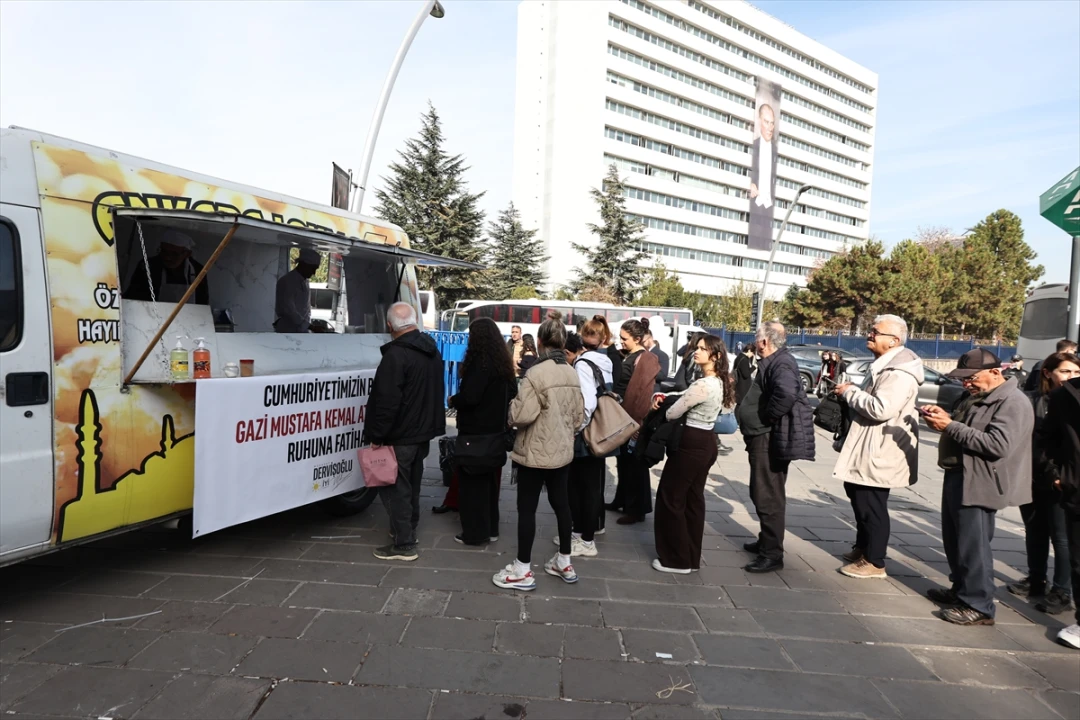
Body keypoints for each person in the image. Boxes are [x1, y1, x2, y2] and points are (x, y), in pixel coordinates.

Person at [923, 348, 1034, 625]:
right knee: (955, 540)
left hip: (982, 480)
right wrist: (944, 417)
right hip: (960, 474)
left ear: (995, 373)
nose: (966, 383)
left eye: (971, 378)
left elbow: (997, 445)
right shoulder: (978, 396)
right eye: (962, 378)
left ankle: (980, 605)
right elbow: (968, 427)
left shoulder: (1013, 401)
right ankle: (962, 590)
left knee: (974, 546)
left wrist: (949, 426)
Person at [492, 316, 585, 590]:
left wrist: (511, 410)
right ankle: (564, 561)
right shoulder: (571, 371)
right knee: (562, 505)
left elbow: (521, 414)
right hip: (562, 451)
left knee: (527, 508)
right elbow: (579, 417)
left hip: (535, 450)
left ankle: (522, 569)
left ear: (541, 341)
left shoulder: (536, 373)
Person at [831, 315, 924, 579]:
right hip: (870, 445)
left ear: (894, 341)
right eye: (871, 330)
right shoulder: (884, 366)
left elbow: (881, 408)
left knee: (871, 504)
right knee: (859, 495)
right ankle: (864, 547)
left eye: (875, 332)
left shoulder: (899, 373)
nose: (869, 335)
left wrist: (850, 392)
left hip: (880, 449)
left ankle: (875, 561)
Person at [367, 302, 447, 562]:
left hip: (400, 434)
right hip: (422, 432)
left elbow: (386, 401)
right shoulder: (432, 351)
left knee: (395, 488)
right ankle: (407, 528)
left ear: (390, 326)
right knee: (411, 484)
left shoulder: (396, 355)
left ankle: (404, 543)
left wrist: (377, 436)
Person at [737, 321, 815, 573]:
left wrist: (766, 418)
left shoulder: (781, 363)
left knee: (767, 495)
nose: (755, 342)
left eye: (757, 338)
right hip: (762, 436)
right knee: (763, 491)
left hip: (768, 438)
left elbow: (786, 394)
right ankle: (766, 541)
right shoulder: (776, 361)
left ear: (764, 342)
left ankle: (772, 553)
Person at [652, 334, 733, 573]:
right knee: (693, 500)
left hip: (691, 444)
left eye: (702, 349)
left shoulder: (703, 384)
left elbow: (673, 413)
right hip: (706, 441)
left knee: (671, 498)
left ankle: (676, 560)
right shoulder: (720, 381)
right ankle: (690, 557)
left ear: (715, 356)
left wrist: (663, 405)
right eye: (696, 348)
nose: (696, 352)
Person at [1007, 352, 1080, 614]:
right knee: (1034, 529)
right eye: (1065, 371)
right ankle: (1036, 578)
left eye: (1075, 372)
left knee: (1061, 538)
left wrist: (1057, 475)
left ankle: (1062, 590)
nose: (1071, 377)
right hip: (1031, 476)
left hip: (1060, 480)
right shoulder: (1031, 400)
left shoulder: (1072, 403)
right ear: (1048, 373)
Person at [448, 318, 518, 545]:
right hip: (495, 432)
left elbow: (471, 397)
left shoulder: (480, 363)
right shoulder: (502, 364)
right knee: (488, 485)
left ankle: (475, 533)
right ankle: (492, 529)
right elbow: (513, 391)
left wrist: (453, 400)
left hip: (476, 432)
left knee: (472, 487)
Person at [561, 330, 613, 558]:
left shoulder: (581, 364)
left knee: (584, 487)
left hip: (586, 433)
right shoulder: (601, 358)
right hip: (598, 431)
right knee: (588, 486)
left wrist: (576, 428)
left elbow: (587, 402)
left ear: (568, 352)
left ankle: (586, 539)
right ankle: (581, 532)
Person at [1038, 371, 1080, 648]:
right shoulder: (1065, 395)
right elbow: (1048, 440)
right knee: (1079, 559)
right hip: (1077, 489)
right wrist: (1057, 474)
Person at [608, 318, 661, 525]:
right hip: (623, 417)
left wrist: (638, 422)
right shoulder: (627, 355)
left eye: (625, 339)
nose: (621, 342)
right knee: (623, 463)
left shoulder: (645, 359)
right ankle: (621, 500)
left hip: (633, 420)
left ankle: (637, 509)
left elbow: (642, 393)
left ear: (637, 339)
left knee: (635, 466)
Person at [125, 229, 210, 305]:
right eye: (164, 252)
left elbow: (202, 302)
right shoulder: (147, 266)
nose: (167, 258)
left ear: (187, 254)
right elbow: (133, 297)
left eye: (174, 254)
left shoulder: (198, 270)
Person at [747, 103, 779, 252]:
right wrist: (751, 183)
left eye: (772, 123)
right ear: (759, 121)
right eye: (766, 122)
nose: (770, 127)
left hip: (770, 208)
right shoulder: (753, 147)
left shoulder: (776, 151)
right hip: (756, 205)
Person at [274, 248, 320, 333]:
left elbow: (305, 309)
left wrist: (308, 326)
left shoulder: (305, 282)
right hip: (287, 331)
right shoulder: (287, 281)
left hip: (301, 332)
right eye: (312, 268)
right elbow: (289, 310)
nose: (314, 273)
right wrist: (311, 327)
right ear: (303, 264)